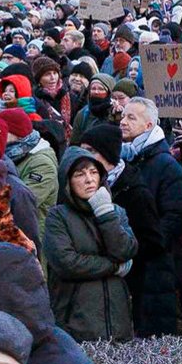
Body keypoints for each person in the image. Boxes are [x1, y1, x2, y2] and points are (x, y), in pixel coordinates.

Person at [43, 146, 139, 342]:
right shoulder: (58, 216)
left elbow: (126, 250)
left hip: (118, 322)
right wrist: (114, 266)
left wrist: (104, 212)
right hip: (76, 324)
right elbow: (68, 263)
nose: (89, 179)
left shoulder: (115, 212)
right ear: (68, 181)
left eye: (94, 172)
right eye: (80, 174)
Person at [116, 98, 182, 338]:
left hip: (156, 267)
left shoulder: (165, 165)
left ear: (149, 126)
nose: (123, 122)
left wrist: (144, 244)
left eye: (131, 118)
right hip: (133, 263)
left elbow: (175, 216)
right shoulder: (125, 160)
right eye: (123, 116)